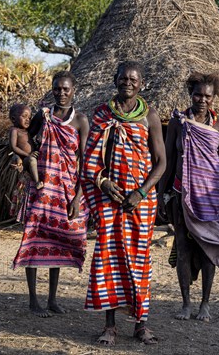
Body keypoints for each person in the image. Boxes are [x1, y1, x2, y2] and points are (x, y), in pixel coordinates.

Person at [83, 61, 166, 345]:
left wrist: (140, 192)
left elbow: (161, 163)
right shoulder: (102, 114)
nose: (127, 83)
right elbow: (91, 160)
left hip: (140, 201)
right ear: (114, 80)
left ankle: (141, 325)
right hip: (110, 199)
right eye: (123, 78)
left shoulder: (150, 116)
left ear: (141, 84)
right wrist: (104, 183)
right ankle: (109, 326)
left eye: (133, 79)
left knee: (140, 260)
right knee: (108, 258)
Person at [159, 72, 219, 323]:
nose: (202, 100)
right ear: (190, 94)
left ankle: (205, 304)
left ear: (214, 98)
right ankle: (185, 303)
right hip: (182, 194)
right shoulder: (178, 122)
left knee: (207, 250)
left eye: (208, 96)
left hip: (212, 198)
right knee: (183, 246)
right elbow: (170, 160)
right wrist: (162, 196)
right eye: (198, 94)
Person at [12, 71, 90, 318]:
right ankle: (34, 301)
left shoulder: (80, 120)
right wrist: (28, 160)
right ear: (52, 89)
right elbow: (28, 141)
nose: (62, 93)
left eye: (66, 89)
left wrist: (77, 197)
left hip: (67, 191)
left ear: (74, 89)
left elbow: (85, 162)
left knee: (59, 242)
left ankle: (53, 299)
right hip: (42, 188)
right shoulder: (43, 116)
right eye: (57, 89)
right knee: (33, 239)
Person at [8, 103, 43, 190]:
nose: (28, 120)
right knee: (32, 160)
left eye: (29, 118)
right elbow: (13, 147)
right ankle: (37, 182)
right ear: (13, 119)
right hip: (26, 159)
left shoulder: (26, 131)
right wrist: (28, 155)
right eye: (24, 116)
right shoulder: (14, 131)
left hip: (34, 155)